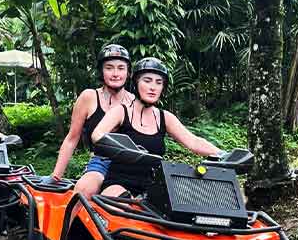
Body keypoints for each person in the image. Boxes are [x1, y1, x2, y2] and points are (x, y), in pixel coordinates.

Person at [91, 57, 223, 197]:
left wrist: (222, 154)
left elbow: (193, 141)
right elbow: (97, 134)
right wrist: (126, 148)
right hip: (119, 183)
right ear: (136, 83)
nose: (153, 87)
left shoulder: (165, 117)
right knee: (119, 203)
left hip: (152, 187)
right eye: (147, 81)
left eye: (158, 83)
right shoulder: (121, 111)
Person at [48, 44, 135, 197]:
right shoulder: (89, 97)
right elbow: (72, 138)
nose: (115, 74)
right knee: (83, 191)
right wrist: (56, 176)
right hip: (100, 162)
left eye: (121, 68)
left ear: (128, 72)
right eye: (109, 68)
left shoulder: (135, 102)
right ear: (101, 71)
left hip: (128, 166)